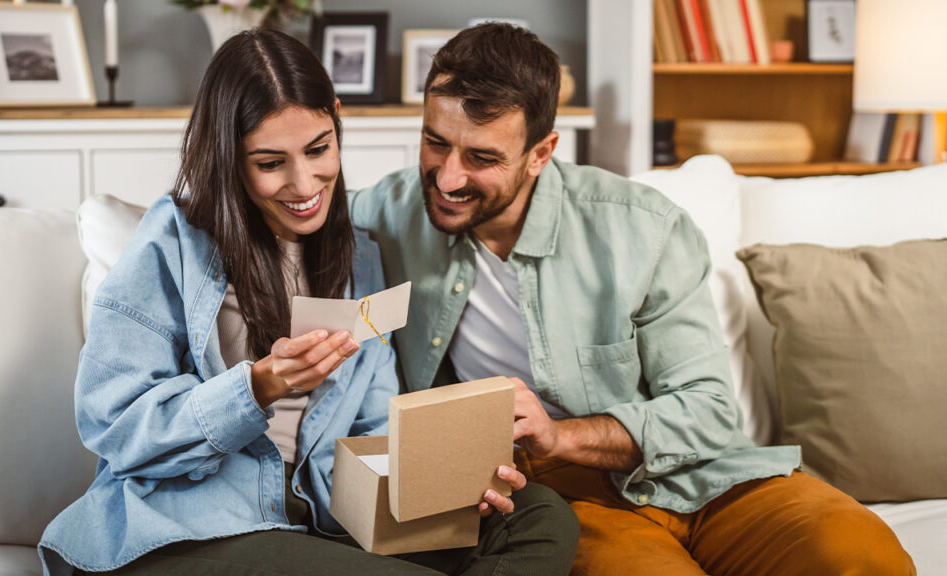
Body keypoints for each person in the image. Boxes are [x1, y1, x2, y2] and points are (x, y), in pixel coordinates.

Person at [348, 23, 916, 576]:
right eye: (434, 142)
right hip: (554, 495)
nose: (447, 178)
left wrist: (561, 433)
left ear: (541, 153)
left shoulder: (643, 228)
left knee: (860, 553)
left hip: (708, 476)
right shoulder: (385, 214)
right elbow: (291, 213)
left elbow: (708, 410)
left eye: (482, 158)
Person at [37, 28, 577, 576]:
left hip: (318, 517)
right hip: (185, 525)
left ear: (336, 118)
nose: (304, 183)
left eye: (319, 148)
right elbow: (116, 426)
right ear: (231, 156)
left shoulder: (358, 255)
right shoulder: (174, 242)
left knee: (535, 515)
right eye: (271, 163)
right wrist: (258, 386)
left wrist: (448, 476)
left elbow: (369, 432)